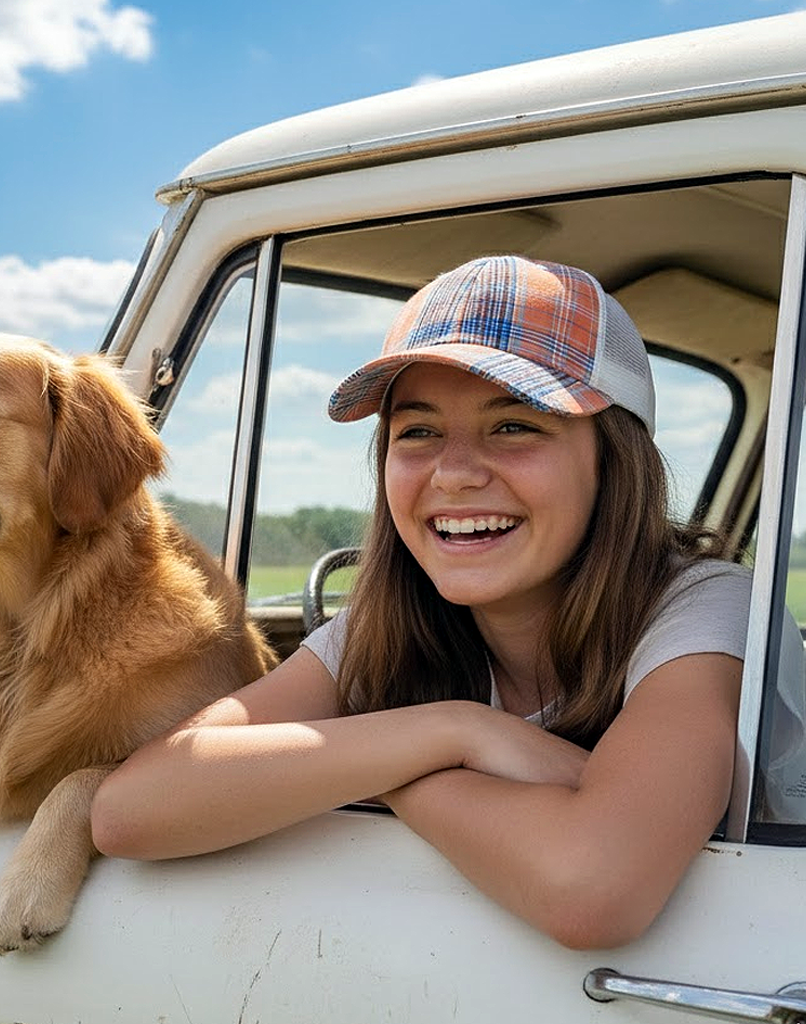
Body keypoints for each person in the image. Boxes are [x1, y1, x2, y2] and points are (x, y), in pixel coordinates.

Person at [91, 255, 748, 950]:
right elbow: (129, 810)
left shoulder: (703, 607)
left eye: (515, 425)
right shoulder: (383, 627)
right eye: (419, 432)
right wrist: (457, 734)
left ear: (613, 459)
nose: (456, 473)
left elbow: (589, 888)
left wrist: (393, 771)